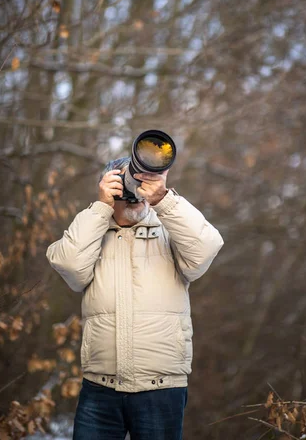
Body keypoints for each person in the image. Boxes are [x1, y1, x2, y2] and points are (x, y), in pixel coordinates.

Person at [46, 157, 224, 440]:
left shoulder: (170, 231)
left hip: (162, 387)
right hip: (100, 388)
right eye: (126, 185)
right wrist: (101, 207)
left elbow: (207, 247)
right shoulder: (93, 234)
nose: (134, 193)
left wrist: (164, 199)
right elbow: (68, 265)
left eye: (141, 184)